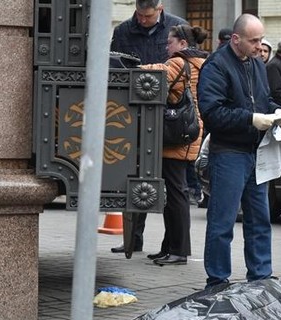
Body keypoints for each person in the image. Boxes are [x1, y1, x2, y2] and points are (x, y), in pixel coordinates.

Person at [197, 13, 281, 288]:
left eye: (261, 39)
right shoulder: (217, 65)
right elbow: (211, 112)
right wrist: (251, 119)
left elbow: (263, 99)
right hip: (229, 152)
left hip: (255, 152)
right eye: (254, 40)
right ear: (236, 40)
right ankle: (218, 280)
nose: (260, 46)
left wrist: (274, 111)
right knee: (222, 222)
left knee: (260, 219)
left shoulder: (256, 65)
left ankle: (261, 276)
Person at [109, 0, 187, 253]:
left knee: (172, 183)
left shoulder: (178, 28)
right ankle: (133, 238)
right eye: (139, 15)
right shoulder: (122, 31)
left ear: (160, 9)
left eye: (148, 16)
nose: (143, 20)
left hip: (168, 115)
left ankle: (173, 246)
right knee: (131, 176)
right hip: (131, 113)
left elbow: (190, 70)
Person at [139, 25, 208, 265]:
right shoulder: (202, 63)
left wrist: (129, 66)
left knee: (177, 193)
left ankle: (179, 250)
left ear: (181, 43)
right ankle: (169, 247)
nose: (166, 47)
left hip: (177, 133)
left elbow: (153, 73)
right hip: (190, 130)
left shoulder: (179, 63)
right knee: (175, 191)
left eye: (169, 42)